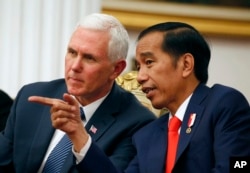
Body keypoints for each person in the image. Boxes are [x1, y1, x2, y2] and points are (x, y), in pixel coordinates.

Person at [74, 21, 250, 173]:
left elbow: (238, 166)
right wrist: (79, 137)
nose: (140, 76)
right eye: (138, 66)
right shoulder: (148, 134)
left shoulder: (223, 104)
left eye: (149, 62)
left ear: (186, 64)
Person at [0, 13, 156, 173]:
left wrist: (79, 136)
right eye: (72, 53)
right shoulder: (31, 97)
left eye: (89, 58)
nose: (75, 66)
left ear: (116, 69)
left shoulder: (138, 124)